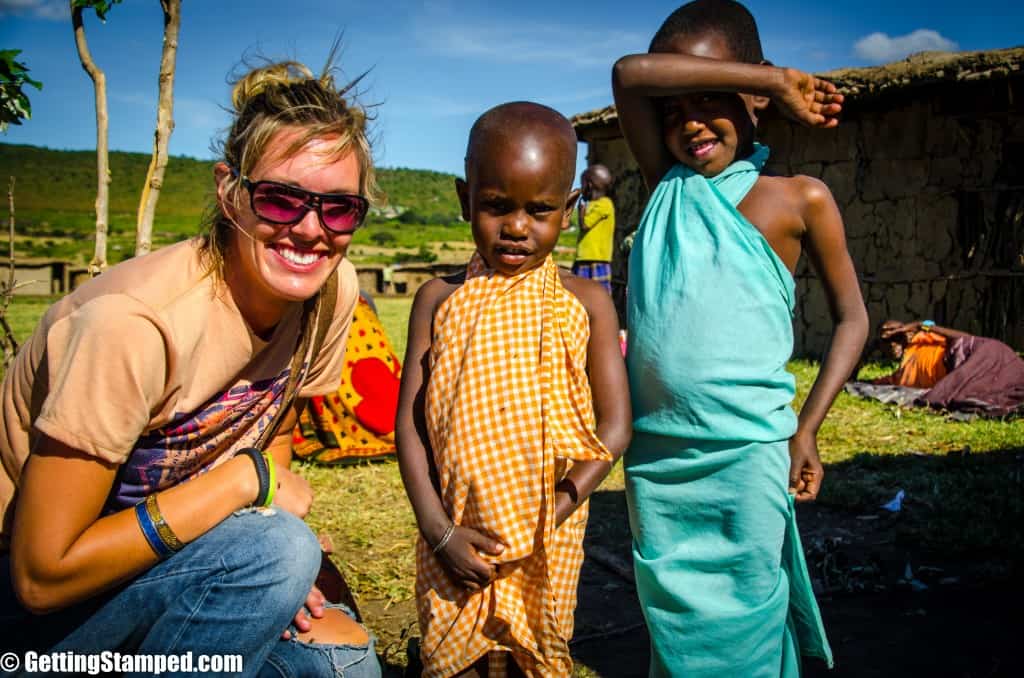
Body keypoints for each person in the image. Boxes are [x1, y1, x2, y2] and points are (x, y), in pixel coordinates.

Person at [0, 55, 381, 678]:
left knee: (348, 663)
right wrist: (242, 486)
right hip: (36, 619)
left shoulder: (328, 291)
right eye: (281, 199)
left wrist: (275, 578)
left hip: (171, 564)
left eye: (339, 209)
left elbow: (274, 425)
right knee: (278, 551)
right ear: (229, 191)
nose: (312, 230)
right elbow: (41, 577)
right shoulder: (133, 326)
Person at [612, 0, 869, 675]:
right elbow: (628, 73)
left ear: (751, 95)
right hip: (658, 456)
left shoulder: (798, 200)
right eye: (673, 109)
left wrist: (806, 428)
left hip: (748, 451)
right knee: (677, 622)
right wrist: (777, 81)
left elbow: (854, 320)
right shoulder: (663, 183)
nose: (689, 122)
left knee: (751, 610)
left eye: (711, 100)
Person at [396, 102, 632, 677]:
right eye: (496, 206)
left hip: (551, 530)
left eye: (541, 209)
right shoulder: (438, 299)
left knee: (534, 656)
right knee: (457, 659)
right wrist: (438, 529)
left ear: (570, 209)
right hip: (453, 531)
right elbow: (410, 424)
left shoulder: (587, 301)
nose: (518, 227)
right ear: (464, 199)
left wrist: (559, 503)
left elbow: (615, 426)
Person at [863, 319, 1024, 416]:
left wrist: (922, 325)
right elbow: (855, 380)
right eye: (887, 340)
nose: (893, 343)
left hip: (974, 354)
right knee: (987, 393)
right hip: (965, 374)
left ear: (907, 333)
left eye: (897, 336)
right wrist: (870, 348)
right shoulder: (897, 378)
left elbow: (966, 338)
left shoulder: (922, 338)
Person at [573, 164, 616, 294]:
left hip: (597, 259)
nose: (582, 188)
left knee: (600, 295)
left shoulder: (605, 204)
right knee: (581, 295)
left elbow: (585, 225)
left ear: (590, 185)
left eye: (583, 184)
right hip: (584, 258)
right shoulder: (592, 204)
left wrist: (581, 211)